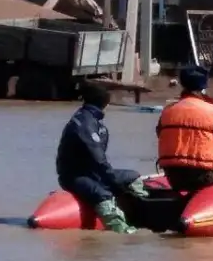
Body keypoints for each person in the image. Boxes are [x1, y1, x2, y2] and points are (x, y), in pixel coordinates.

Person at [56, 81, 148, 234]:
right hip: (76, 176)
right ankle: (124, 232)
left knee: (133, 177)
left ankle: (141, 215)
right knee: (102, 194)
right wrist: (113, 183)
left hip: (93, 173)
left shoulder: (92, 120)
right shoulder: (85, 124)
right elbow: (98, 160)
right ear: (105, 103)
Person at [156, 65, 213, 192]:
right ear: (203, 88)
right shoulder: (212, 112)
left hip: (174, 176)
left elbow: (160, 133)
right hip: (204, 175)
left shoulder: (167, 111)